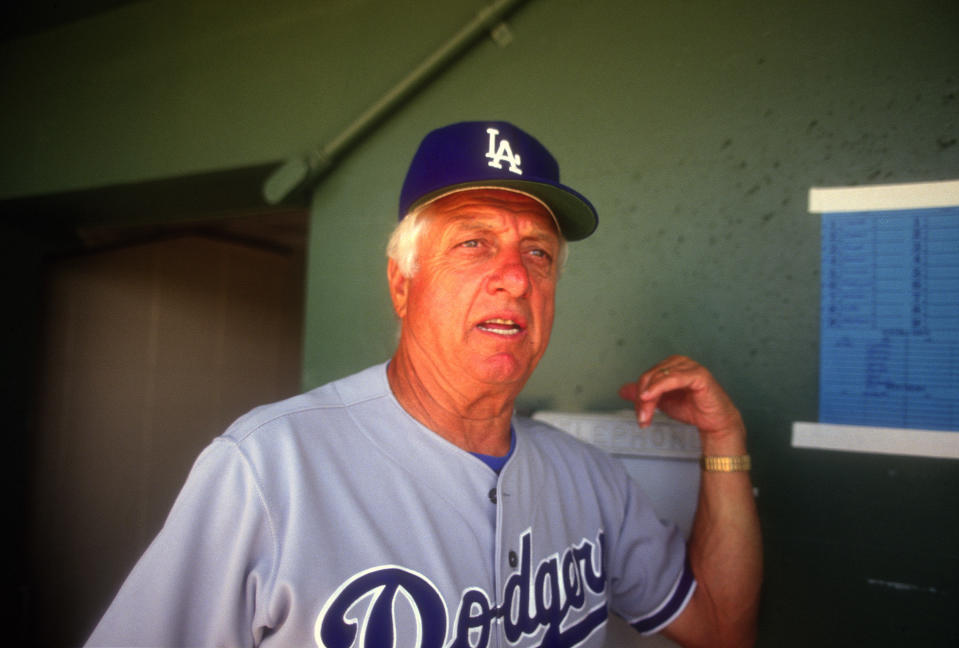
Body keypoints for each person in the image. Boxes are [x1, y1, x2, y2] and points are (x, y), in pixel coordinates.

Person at [86, 121, 761, 647]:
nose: (517, 276)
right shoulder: (268, 470)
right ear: (403, 283)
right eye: (473, 243)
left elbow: (722, 628)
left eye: (538, 253)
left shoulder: (593, 482)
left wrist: (725, 441)